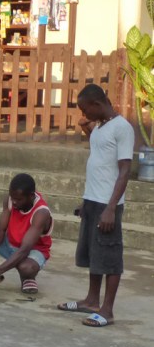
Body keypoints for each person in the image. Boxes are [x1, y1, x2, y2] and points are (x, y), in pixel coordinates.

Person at [57, 84, 133, 327]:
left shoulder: (122, 128)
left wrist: (111, 208)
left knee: (109, 256)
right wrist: (86, 201)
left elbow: (124, 171)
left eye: (85, 109)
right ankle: (91, 300)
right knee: (94, 254)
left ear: (97, 105)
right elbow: (101, 157)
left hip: (107, 204)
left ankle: (107, 310)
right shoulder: (101, 126)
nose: (83, 114)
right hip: (93, 200)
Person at [0, 173, 53, 294]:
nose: (14, 202)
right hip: (11, 242)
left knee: (26, 268)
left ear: (31, 196)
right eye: (12, 198)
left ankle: (27, 278)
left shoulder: (41, 213)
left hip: (31, 251)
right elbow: (1, 230)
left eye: (18, 199)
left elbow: (24, 250)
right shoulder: (10, 200)